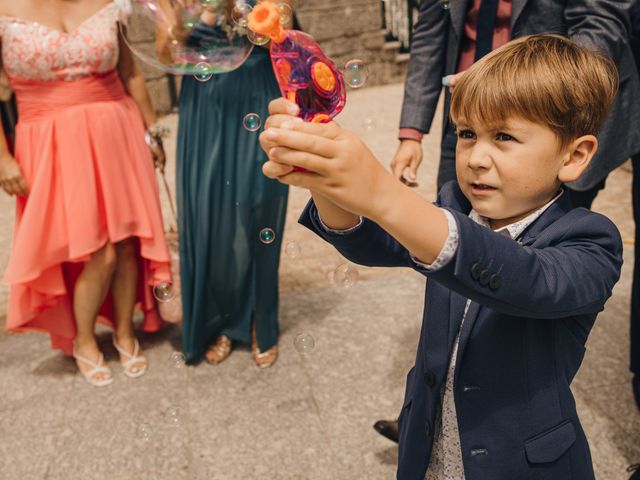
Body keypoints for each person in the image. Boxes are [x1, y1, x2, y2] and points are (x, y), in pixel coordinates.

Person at [260, 35, 622, 479]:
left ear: (575, 155)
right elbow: (378, 242)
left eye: (504, 136)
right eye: (467, 134)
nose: (475, 158)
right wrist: (326, 178)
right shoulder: (456, 204)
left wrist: (383, 192)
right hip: (429, 444)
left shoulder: (590, 242)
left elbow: (529, 279)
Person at [0, 0, 171, 387]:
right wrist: (3, 158)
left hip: (117, 130)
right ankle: (83, 339)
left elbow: (130, 74)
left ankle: (126, 332)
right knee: (98, 250)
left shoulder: (112, 4)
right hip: (49, 142)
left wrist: (152, 132)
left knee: (126, 243)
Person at [391, 0, 640, 209]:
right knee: (454, 229)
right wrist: (412, 134)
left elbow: (600, 24)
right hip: (465, 116)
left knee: (537, 245)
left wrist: (530, 83)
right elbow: (429, 34)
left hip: (551, 121)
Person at [156, 0, 292, 368]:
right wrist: (199, 17)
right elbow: (165, 51)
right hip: (205, 105)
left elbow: (285, 31)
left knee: (260, 204)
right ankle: (223, 321)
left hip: (258, 93)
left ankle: (261, 321)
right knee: (211, 213)